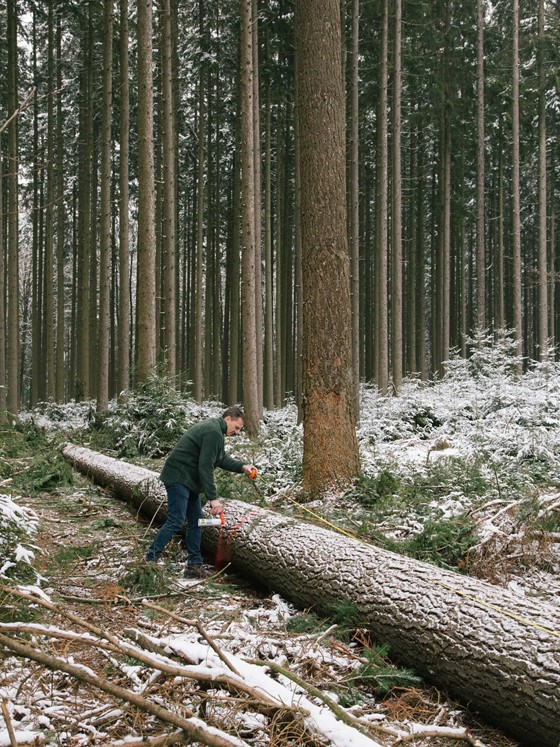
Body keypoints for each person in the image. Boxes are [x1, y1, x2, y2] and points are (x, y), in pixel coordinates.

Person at [145, 406, 257, 577]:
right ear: (228, 419)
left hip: (188, 481)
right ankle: (149, 561)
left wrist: (242, 466)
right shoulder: (213, 431)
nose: (237, 432)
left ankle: (194, 566)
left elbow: (219, 459)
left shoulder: (216, 431)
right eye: (237, 427)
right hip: (179, 477)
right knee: (176, 521)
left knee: (197, 522)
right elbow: (205, 467)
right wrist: (213, 499)